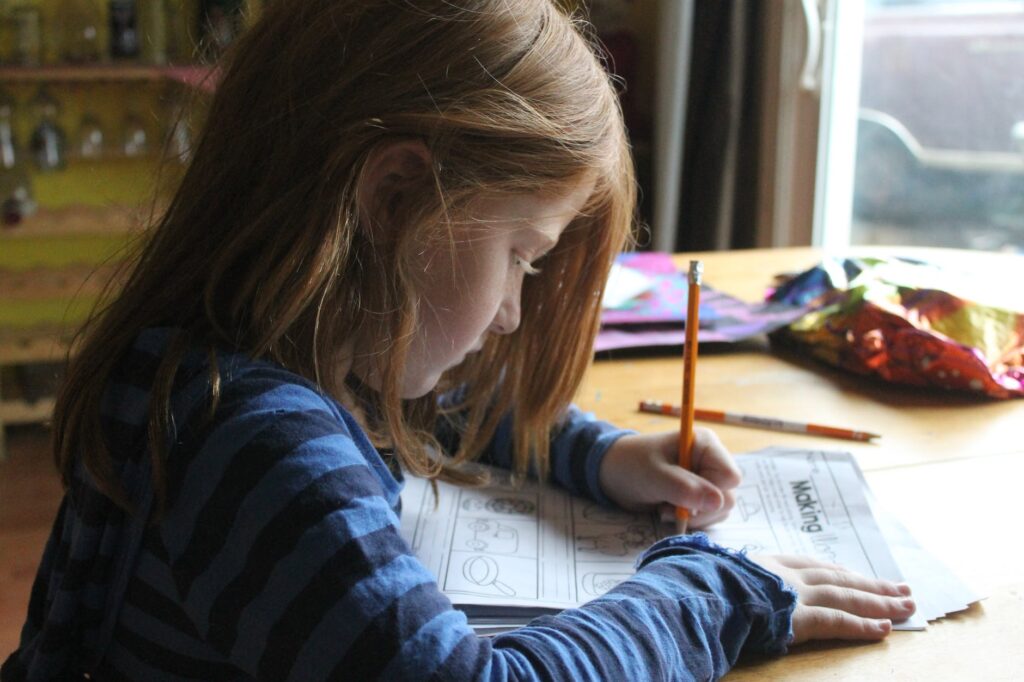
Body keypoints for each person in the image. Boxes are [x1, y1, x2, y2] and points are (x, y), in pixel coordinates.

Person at [1, 1, 915, 680]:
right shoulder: (255, 444)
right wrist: (712, 592)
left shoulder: (249, 350)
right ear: (395, 198)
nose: (514, 311)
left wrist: (602, 455)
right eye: (522, 255)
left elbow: (433, 406)